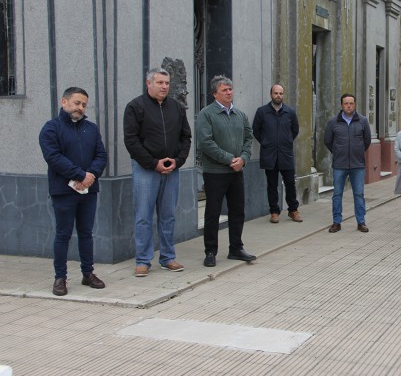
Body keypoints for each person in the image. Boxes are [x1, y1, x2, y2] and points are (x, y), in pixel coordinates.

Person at [39, 87, 108, 296]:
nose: (80, 108)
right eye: (77, 103)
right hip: (63, 191)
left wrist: (90, 176)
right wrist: (80, 175)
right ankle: (60, 277)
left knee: (86, 233)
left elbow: (101, 155)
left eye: (84, 105)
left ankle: (88, 273)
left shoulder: (91, 128)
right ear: (64, 102)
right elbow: (54, 157)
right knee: (63, 234)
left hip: (88, 190)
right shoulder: (51, 128)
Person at [124, 68, 192, 277]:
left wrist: (177, 161)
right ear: (149, 83)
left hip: (171, 170)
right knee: (144, 216)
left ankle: (168, 257)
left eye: (167, 83)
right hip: (146, 170)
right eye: (160, 82)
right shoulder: (135, 107)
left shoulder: (177, 108)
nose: (164, 87)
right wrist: (153, 163)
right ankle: (143, 260)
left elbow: (186, 137)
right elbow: (131, 140)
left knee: (168, 216)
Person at [197, 75, 256, 266]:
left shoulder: (240, 115)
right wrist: (229, 159)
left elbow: (249, 138)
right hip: (215, 172)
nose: (229, 92)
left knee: (237, 211)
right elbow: (206, 143)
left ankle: (236, 248)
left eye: (230, 89)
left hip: (236, 171)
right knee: (213, 212)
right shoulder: (206, 114)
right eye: (224, 90)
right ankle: (210, 251)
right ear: (215, 94)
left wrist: (244, 159)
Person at [252, 84, 302, 224]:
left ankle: (293, 210)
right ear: (271, 95)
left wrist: (285, 141)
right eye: (276, 93)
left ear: (283, 95)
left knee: (290, 183)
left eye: (280, 93)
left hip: (285, 154)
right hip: (269, 154)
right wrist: (266, 142)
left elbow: (295, 130)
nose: (278, 96)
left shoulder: (290, 112)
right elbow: (256, 130)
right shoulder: (262, 112)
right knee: (272, 185)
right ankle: (274, 212)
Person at [324, 93, 372, 233]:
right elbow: (328, 141)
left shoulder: (362, 121)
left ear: (355, 104)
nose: (349, 106)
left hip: (357, 165)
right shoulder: (333, 122)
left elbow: (367, 140)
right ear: (341, 105)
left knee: (359, 194)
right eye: (346, 103)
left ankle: (361, 222)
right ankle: (336, 222)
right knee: (337, 194)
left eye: (351, 103)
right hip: (340, 164)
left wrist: (358, 151)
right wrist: (338, 151)